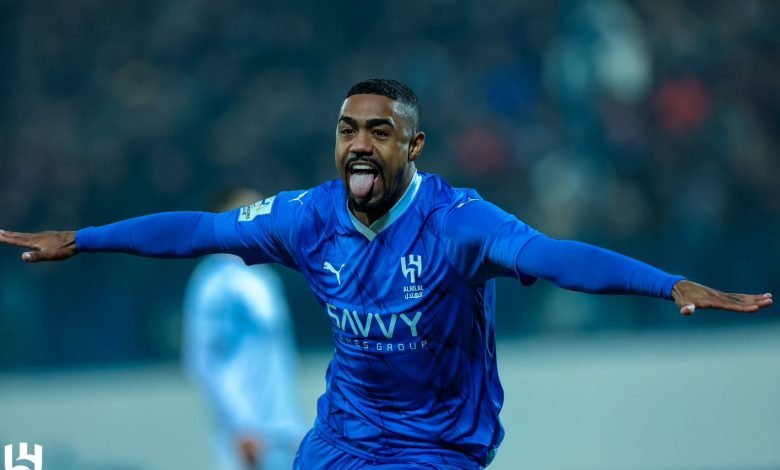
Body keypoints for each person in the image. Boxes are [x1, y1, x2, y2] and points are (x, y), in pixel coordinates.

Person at [0, 79, 772, 469]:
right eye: (347, 131)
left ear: (414, 145)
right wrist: (84, 238)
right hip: (342, 437)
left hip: (436, 447)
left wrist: (667, 283)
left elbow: (557, 258)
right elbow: (199, 232)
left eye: (379, 131)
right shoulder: (306, 217)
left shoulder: (459, 224)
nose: (359, 145)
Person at [182, 188, 305, 470]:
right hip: (248, 439)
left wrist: (292, 421)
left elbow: (278, 358)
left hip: (282, 432)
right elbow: (205, 360)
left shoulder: (265, 278)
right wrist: (241, 425)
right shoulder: (215, 283)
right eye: (251, 210)